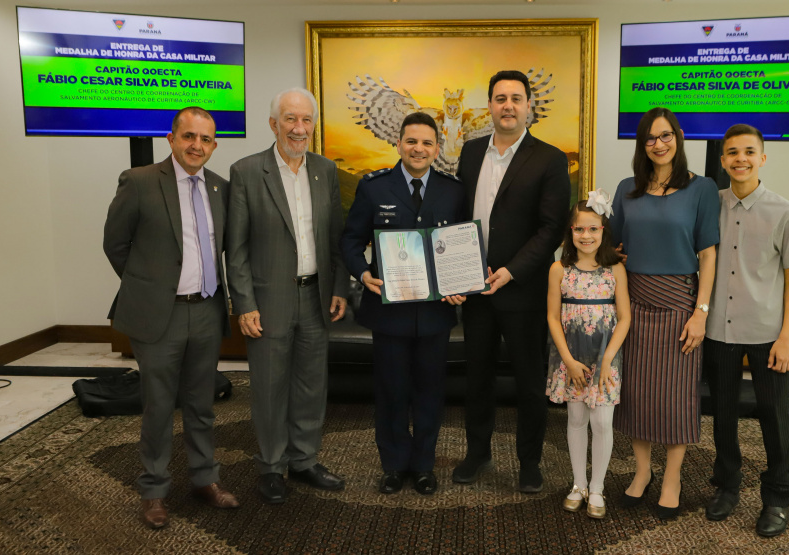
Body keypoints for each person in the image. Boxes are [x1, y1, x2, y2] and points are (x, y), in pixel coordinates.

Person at [103, 106, 239, 529]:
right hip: (158, 316)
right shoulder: (140, 182)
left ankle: (204, 480)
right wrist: (150, 286)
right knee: (159, 407)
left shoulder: (221, 189)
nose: (197, 145)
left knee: (201, 405)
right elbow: (115, 244)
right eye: (189, 136)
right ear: (172, 138)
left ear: (214, 145)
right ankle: (154, 491)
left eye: (206, 139)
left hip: (206, 312)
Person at [226, 88, 349, 504]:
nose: (299, 129)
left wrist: (338, 288)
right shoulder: (246, 171)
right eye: (291, 120)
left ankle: (305, 460)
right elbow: (236, 248)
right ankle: (272, 466)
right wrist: (243, 303)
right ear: (274, 124)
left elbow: (335, 238)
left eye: (306, 120)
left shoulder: (325, 170)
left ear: (314, 125)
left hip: (315, 296)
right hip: (268, 300)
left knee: (312, 385)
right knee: (269, 387)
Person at [453, 70, 571, 493]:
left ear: (528, 106)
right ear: (489, 105)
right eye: (500, 98)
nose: (508, 105)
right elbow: (458, 218)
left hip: (522, 290)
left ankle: (529, 462)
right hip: (475, 288)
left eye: (516, 98)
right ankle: (477, 453)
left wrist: (511, 270)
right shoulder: (468, 153)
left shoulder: (550, 158)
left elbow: (551, 228)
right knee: (476, 377)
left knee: (528, 381)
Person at [341, 112, 466, 495]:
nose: (419, 149)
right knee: (392, 391)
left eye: (427, 142)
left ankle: (424, 466)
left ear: (437, 149)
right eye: (411, 141)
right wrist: (363, 274)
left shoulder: (453, 190)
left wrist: (460, 282)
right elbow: (349, 240)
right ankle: (393, 465)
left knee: (430, 391)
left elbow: (462, 245)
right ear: (398, 144)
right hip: (389, 311)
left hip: (434, 313)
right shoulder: (375, 187)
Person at [610, 107, 719, 519]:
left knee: (676, 398)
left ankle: (671, 477)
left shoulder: (701, 188)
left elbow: (707, 253)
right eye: (650, 138)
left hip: (680, 303)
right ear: (642, 144)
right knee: (636, 393)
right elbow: (615, 248)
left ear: (678, 137)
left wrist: (701, 312)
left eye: (665, 135)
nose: (658, 144)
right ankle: (642, 472)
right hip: (633, 302)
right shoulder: (626, 189)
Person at [703, 124, 789, 537]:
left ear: (762, 158)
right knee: (724, 413)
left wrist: (787, 337)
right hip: (719, 331)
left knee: (774, 416)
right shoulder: (709, 205)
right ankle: (727, 485)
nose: (740, 159)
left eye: (749, 151)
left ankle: (778, 496)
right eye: (732, 152)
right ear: (723, 160)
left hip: (768, 333)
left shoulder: (785, 211)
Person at [546, 191, 630, 519]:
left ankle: (597, 487)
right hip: (571, 357)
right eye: (580, 229)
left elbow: (624, 317)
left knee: (603, 421)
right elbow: (553, 316)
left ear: (604, 231)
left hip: (605, 357)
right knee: (577, 419)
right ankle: (578, 484)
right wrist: (567, 360)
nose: (586, 235)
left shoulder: (614, 270)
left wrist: (608, 359)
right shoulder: (559, 269)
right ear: (570, 231)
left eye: (593, 229)